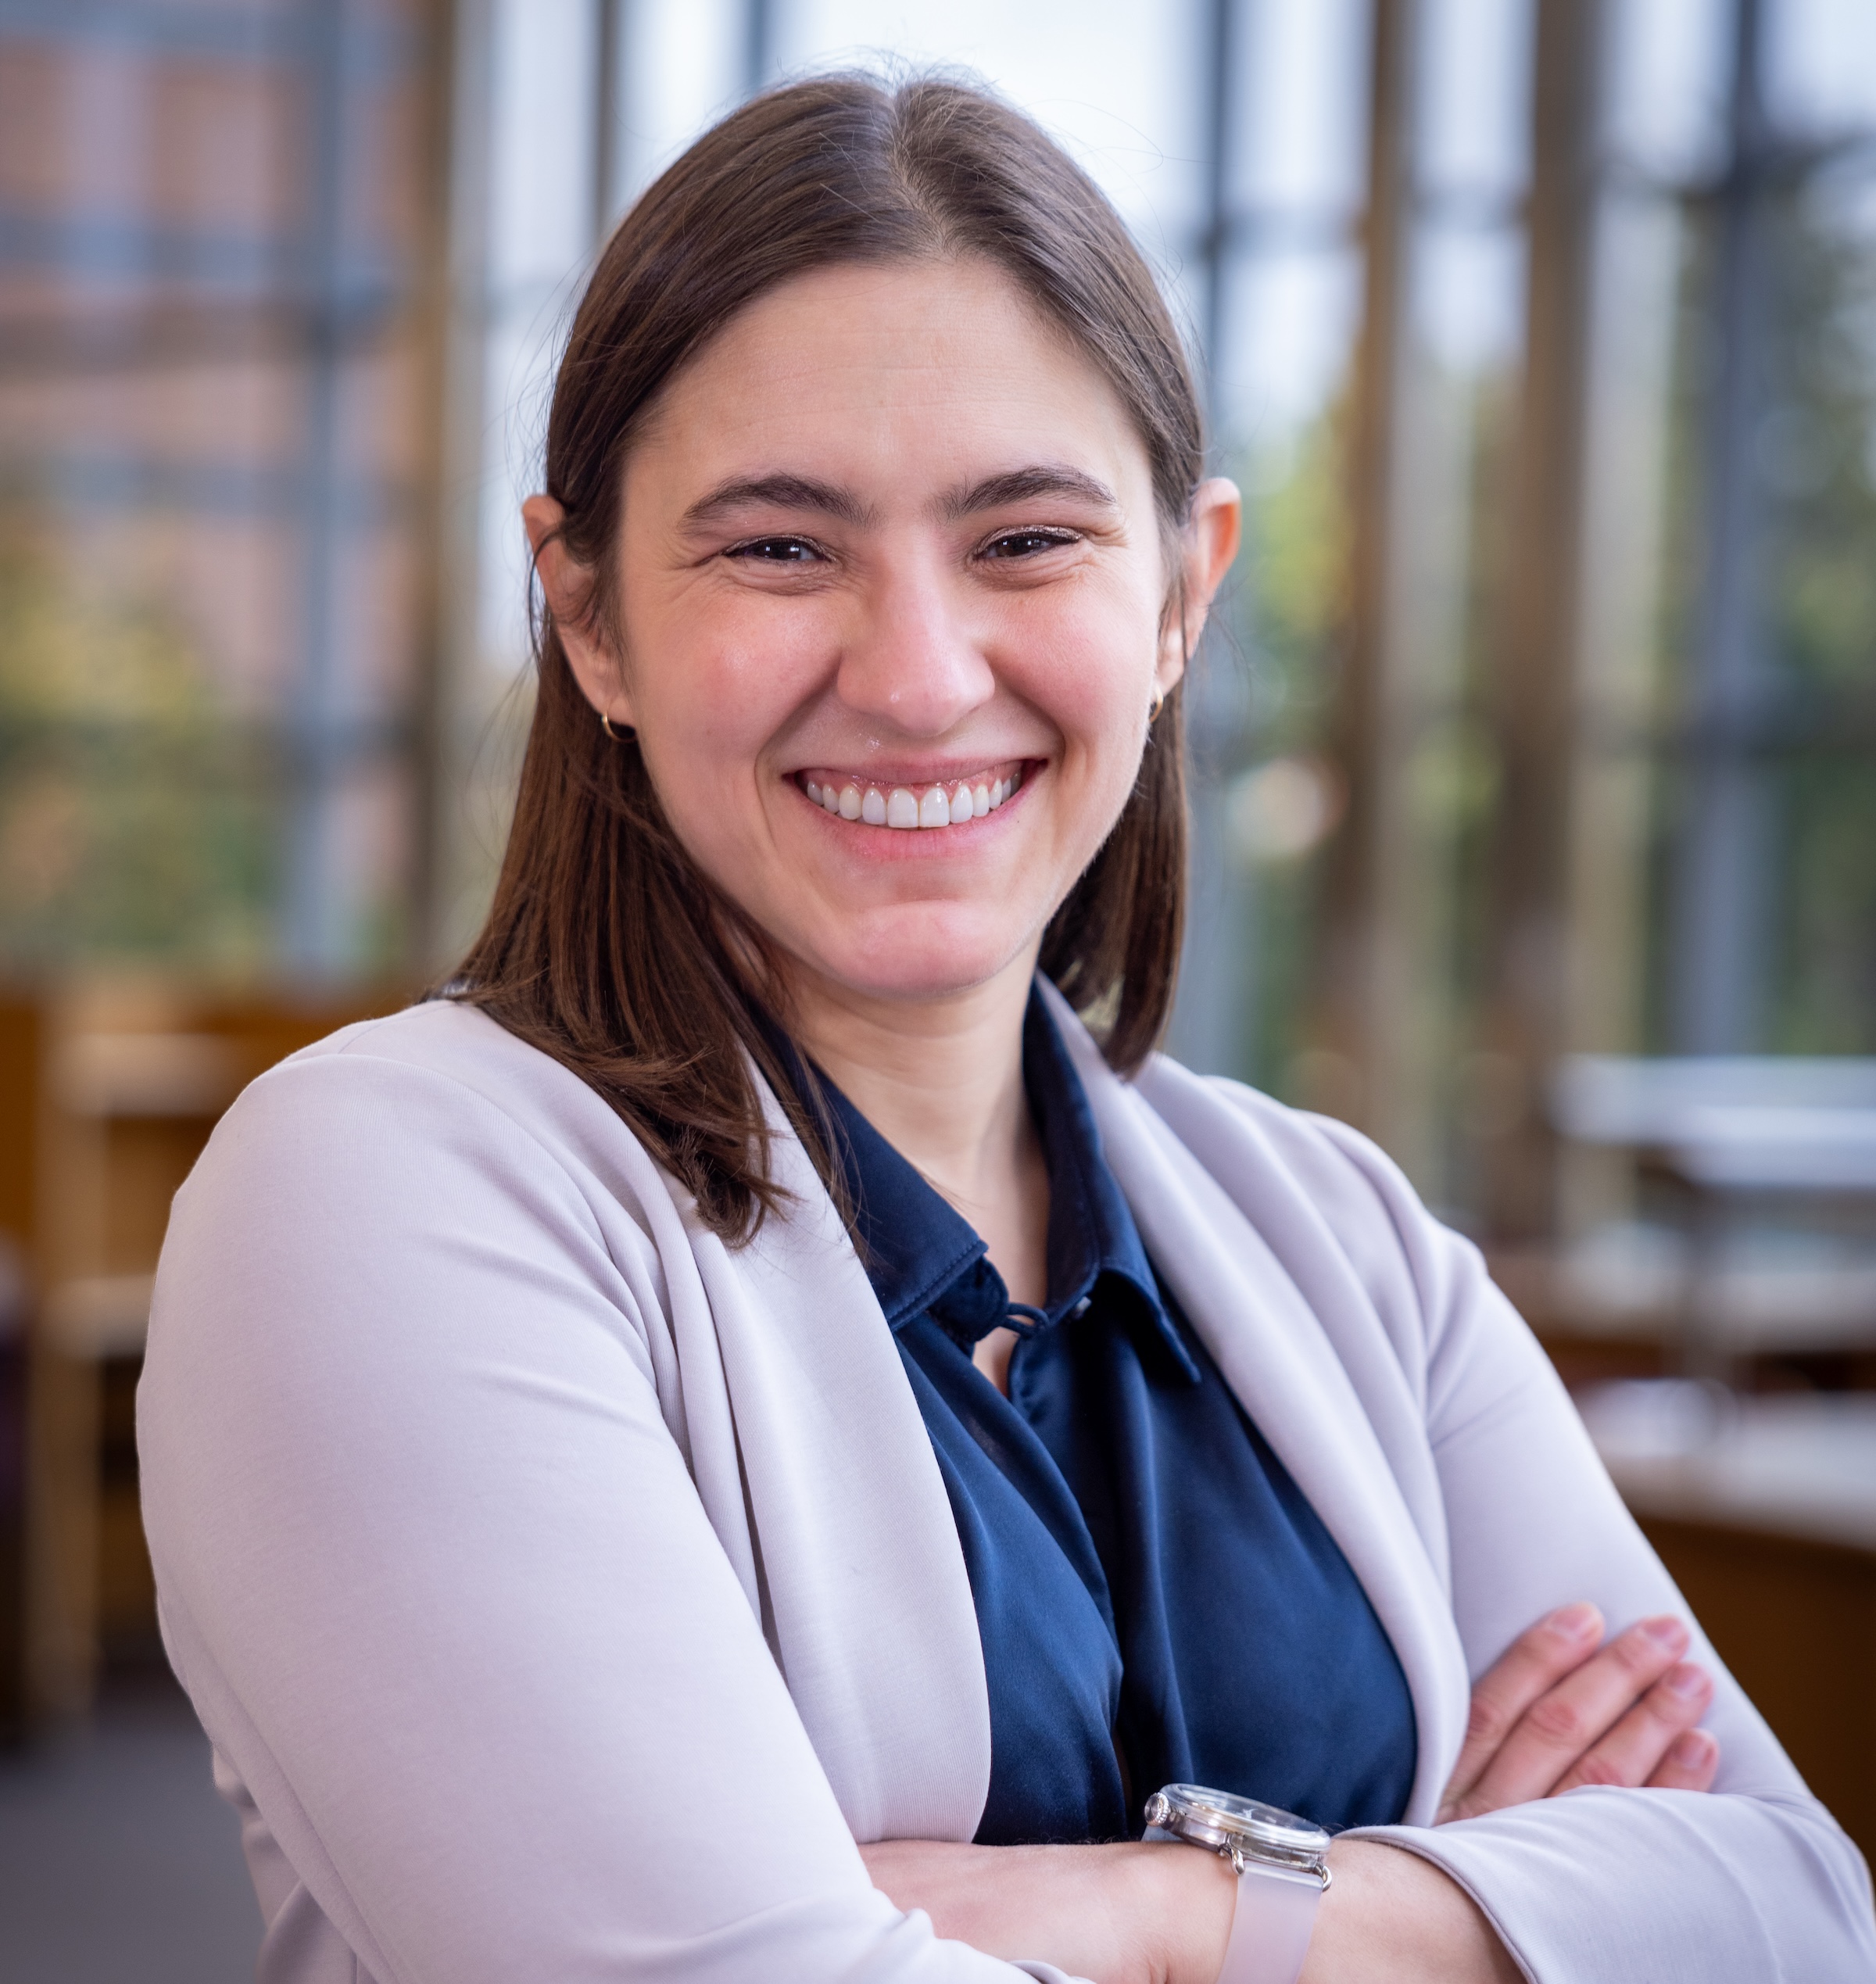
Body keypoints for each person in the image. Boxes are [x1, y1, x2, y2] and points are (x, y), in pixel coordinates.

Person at [138, 73, 1873, 1984]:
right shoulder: (381, 1200)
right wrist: (1462, 1907)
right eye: (781, 549)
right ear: (591, 616)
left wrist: (1163, 1914)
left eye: (1027, 539)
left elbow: (1794, 1907)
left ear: (1182, 596)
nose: (916, 676)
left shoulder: (1341, 1239)